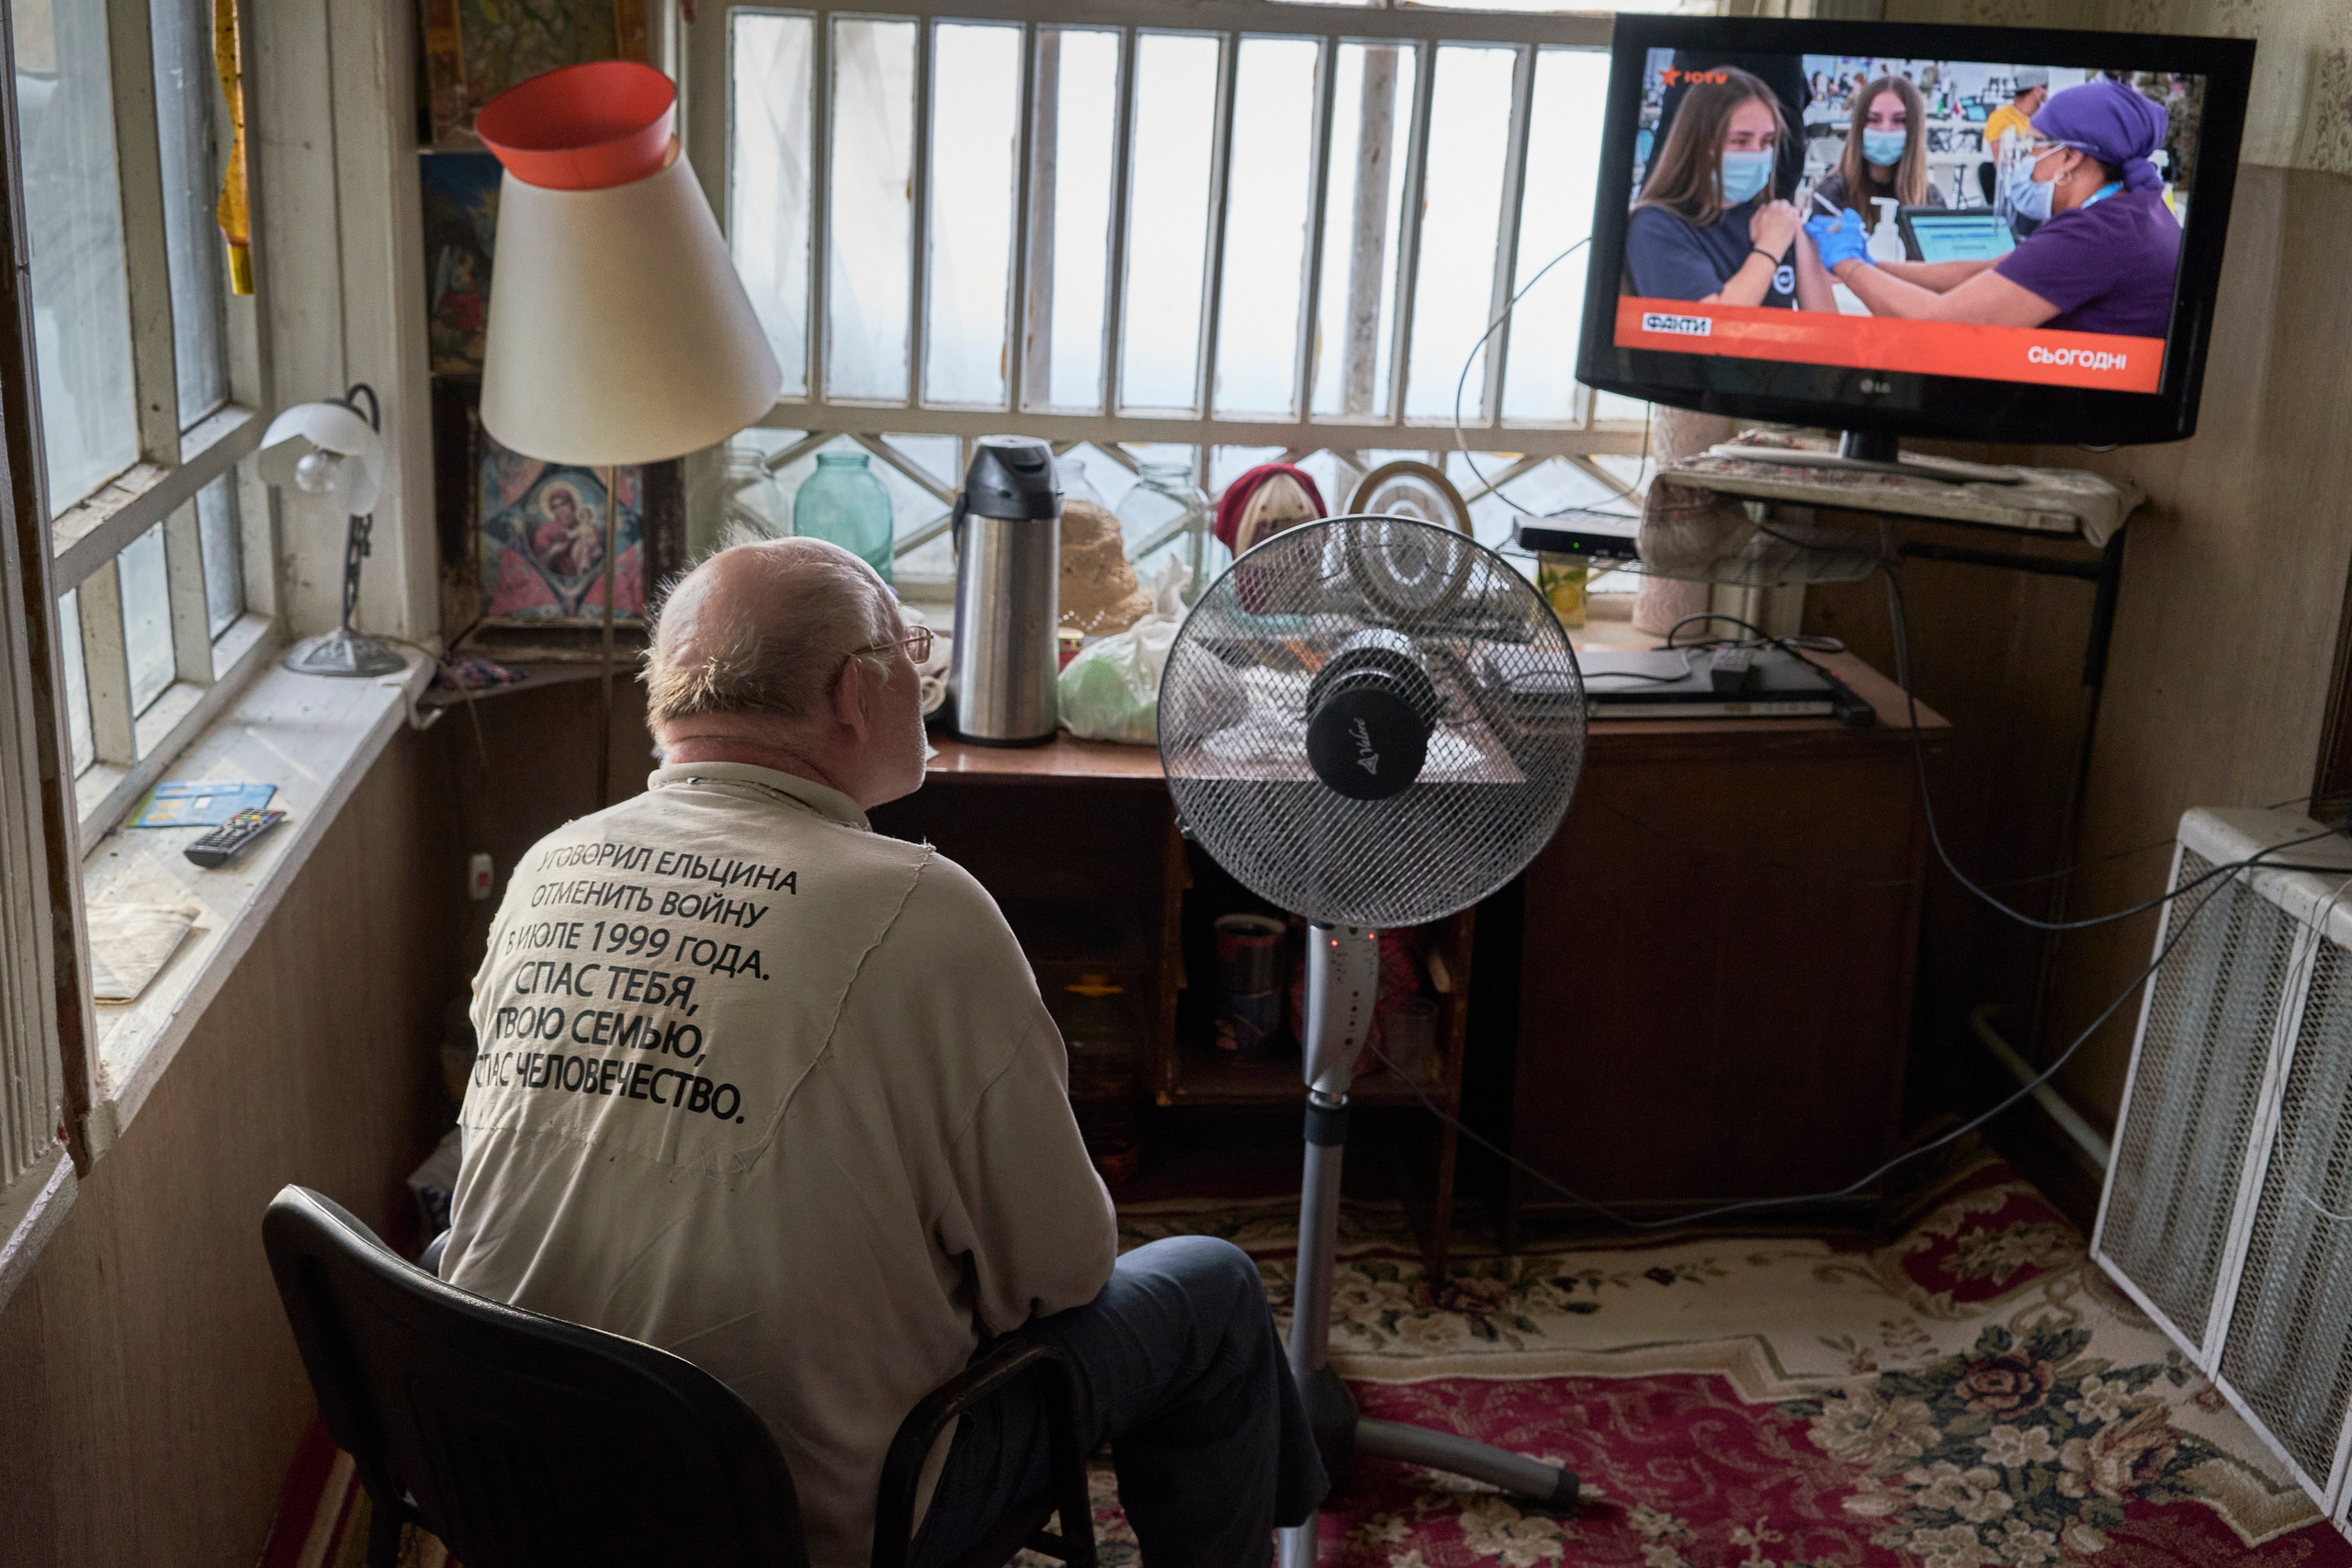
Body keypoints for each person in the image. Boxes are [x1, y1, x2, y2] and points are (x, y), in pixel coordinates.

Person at [441, 536, 1327, 1568]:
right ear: (853, 694)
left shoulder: (551, 863)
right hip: (786, 1524)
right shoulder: (923, 909)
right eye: (912, 645)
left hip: (511, 1476)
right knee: (1213, 1292)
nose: (925, 669)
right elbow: (1062, 1269)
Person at [1803, 77, 2180, 338]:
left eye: (2035, 145)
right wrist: (1874, 266)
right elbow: (1986, 271)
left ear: (2068, 157)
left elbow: (1939, 325)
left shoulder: (2093, 235)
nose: (2026, 160)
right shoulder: (2135, 212)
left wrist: (1848, 265)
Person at [1624, 66, 1835, 313]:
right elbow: (1710, 328)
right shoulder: (1657, 226)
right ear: (1699, 143)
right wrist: (1769, 248)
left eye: (1767, 141)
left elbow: (1826, 325)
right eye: (1740, 141)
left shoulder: (1774, 217)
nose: (1757, 153)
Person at [1810, 75, 1945, 237]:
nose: (1885, 129)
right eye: (1874, 119)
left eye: (1899, 120)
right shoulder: (1832, 193)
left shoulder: (1930, 199)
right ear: (1859, 125)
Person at [1981, 65, 2049, 161]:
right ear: (2038, 90)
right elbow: (2000, 163)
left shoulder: (2043, 118)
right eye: (2046, 87)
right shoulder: (2000, 117)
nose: (2047, 92)